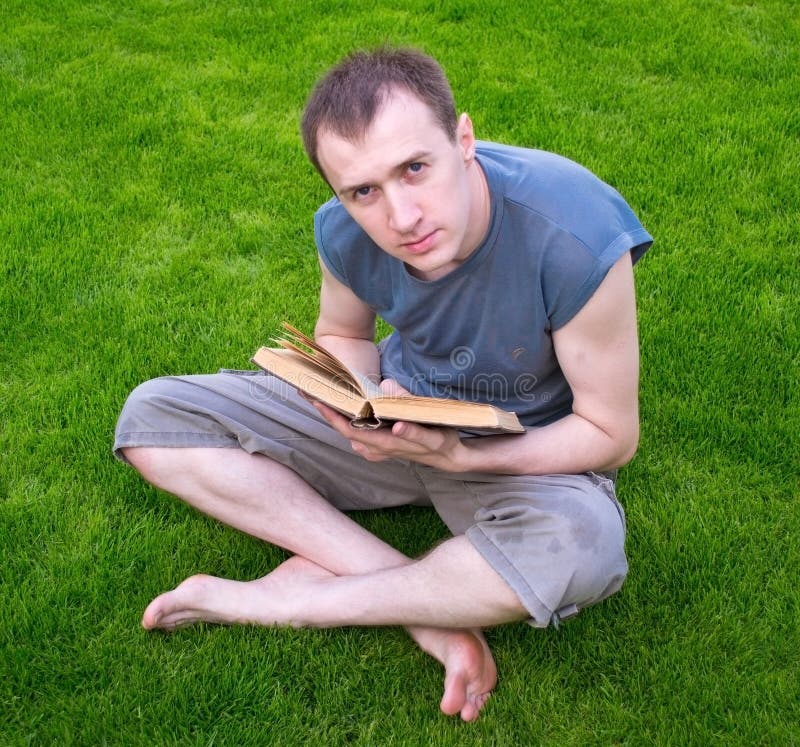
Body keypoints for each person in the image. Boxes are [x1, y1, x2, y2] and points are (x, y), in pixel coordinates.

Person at [114, 47, 652, 722]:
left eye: (414, 169)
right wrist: (364, 401)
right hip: (399, 417)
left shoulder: (574, 232)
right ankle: (426, 609)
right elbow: (343, 333)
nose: (400, 216)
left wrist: (464, 456)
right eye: (363, 190)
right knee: (154, 418)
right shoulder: (344, 231)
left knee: (583, 547)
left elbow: (611, 434)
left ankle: (304, 599)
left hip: (515, 446)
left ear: (463, 139)